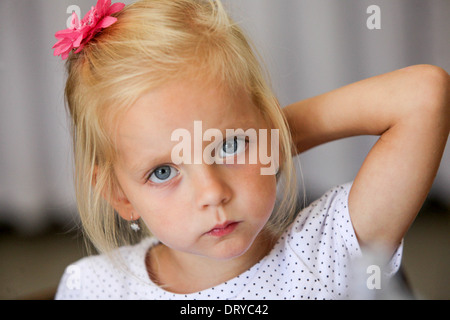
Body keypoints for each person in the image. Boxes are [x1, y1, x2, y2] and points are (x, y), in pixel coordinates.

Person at [53, 0, 449, 300]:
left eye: (229, 145)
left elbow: (424, 96)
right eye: (162, 171)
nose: (212, 193)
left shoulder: (326, 250)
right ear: (121, 195)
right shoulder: (91, 286)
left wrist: (269, 136)